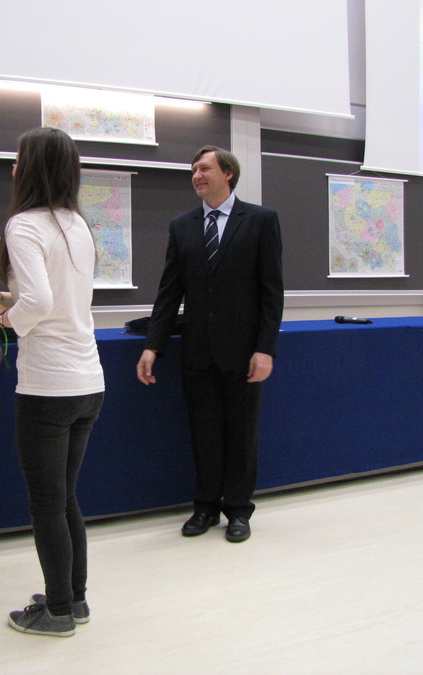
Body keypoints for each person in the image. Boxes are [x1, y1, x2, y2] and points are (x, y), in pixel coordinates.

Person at [0, 127, 104, 637]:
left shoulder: (23, 225)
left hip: (49, 386)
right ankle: (73, 600)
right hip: (87, 381)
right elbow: (54, 298)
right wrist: (7, 302)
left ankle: (55, 612)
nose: (12, 167)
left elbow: (39, 303)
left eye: (18, 158)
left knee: (48, 503)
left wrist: (0, 317)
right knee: (65, 497)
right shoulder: (77, 224)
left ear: (31, 167)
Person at [136, 145, 284, 543]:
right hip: (198, 351)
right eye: (194, 170)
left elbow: (272, 293)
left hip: (244, 352)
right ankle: (204, 507)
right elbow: (170, 292)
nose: (197, 176)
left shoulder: (261, 220)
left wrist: (265, 348)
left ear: (228, 173)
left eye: (204, 168)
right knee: (203, 434)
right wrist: (153, 345)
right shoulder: (182, 226)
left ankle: (238, 510)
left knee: (241, 435)